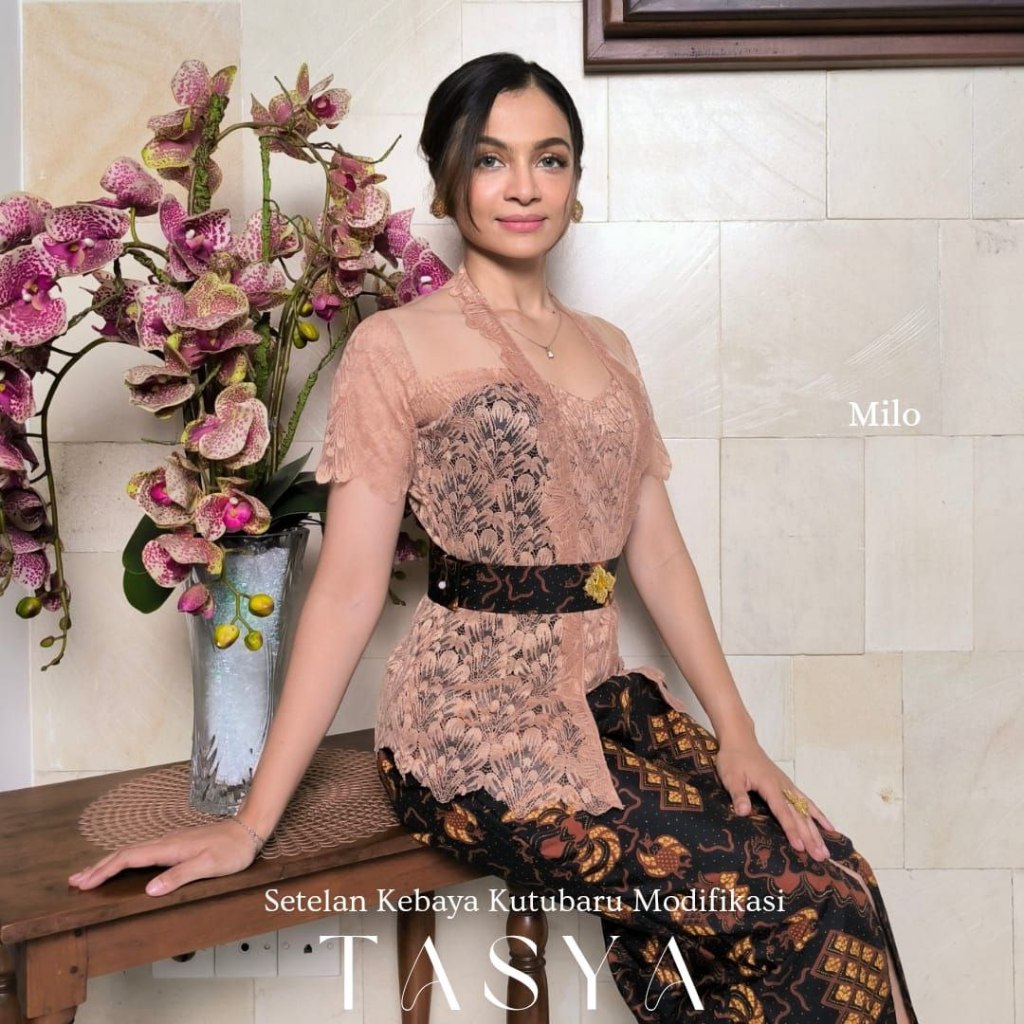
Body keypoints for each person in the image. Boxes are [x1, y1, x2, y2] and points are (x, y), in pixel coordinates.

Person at [69, 52, 919, 1024]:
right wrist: (253, 823)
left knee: (842, 870)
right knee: (806, 908)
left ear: (575, 181)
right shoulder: (395, 346)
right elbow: (346, 589)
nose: (523, 186)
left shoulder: (610, 347)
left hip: (602, 705)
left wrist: (741, 735)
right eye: (490, 159)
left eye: (549, 159)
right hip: (469, 733)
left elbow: (656, 551)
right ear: (447, 180)